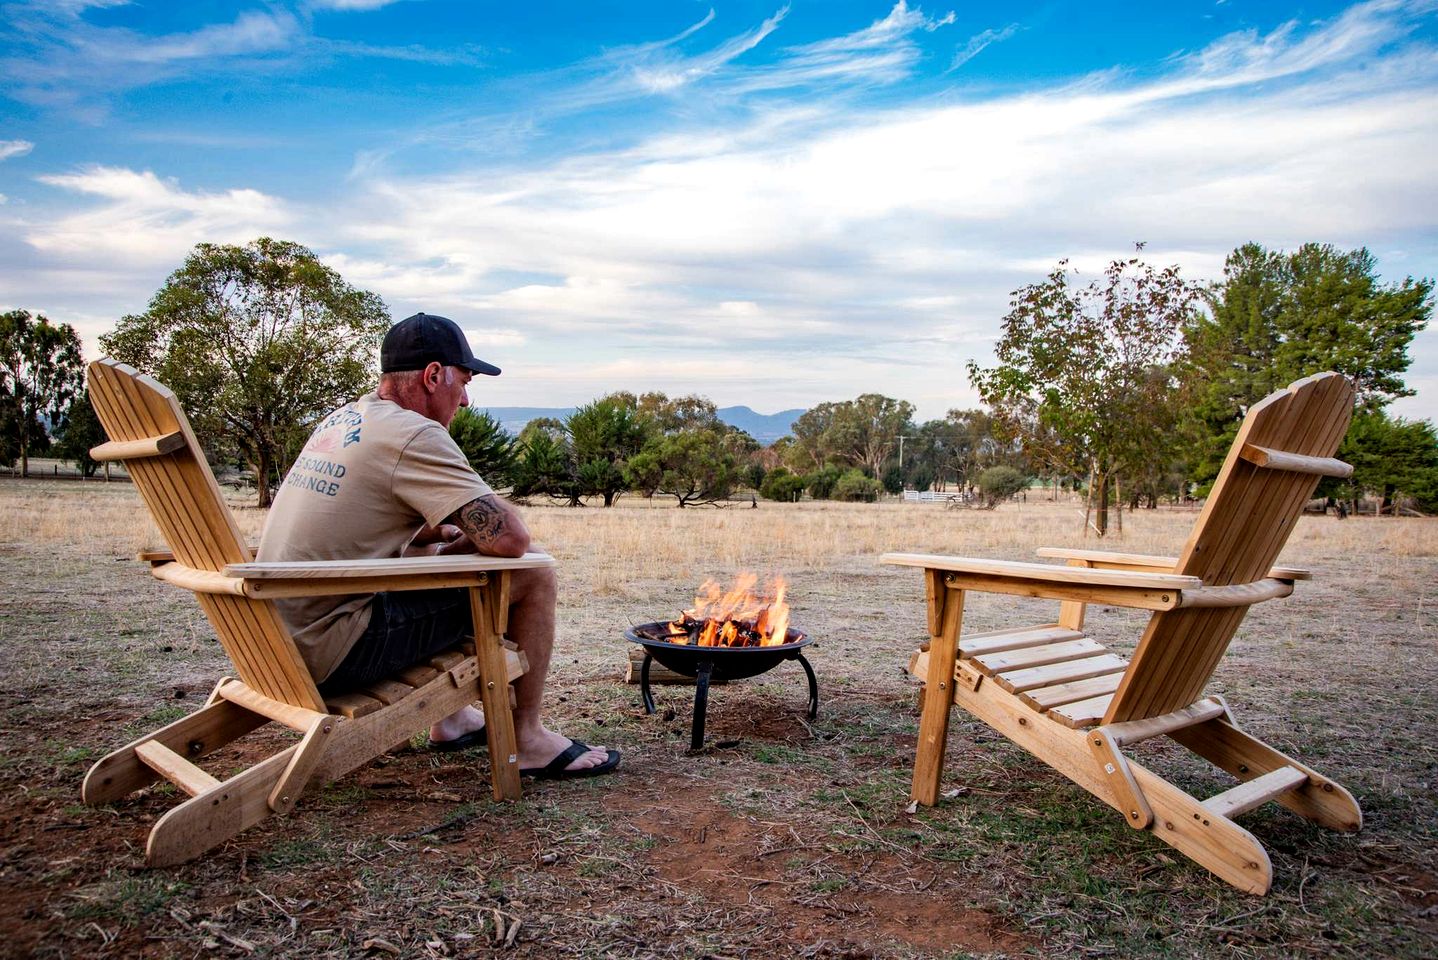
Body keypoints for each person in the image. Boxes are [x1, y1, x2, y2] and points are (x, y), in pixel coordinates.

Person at [258, 312, 619, 779]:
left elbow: (361, 523)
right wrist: (471, 531)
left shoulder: (346, 418)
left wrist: (437, 536)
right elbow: (511, 540)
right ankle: (527, 738)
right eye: (464, 382)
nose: (465, 400)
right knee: (531, 573)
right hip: (331, 652)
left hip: (271, 642)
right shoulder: (414, 432)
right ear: (433, 376)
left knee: (435, 565)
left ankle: (451, 718)